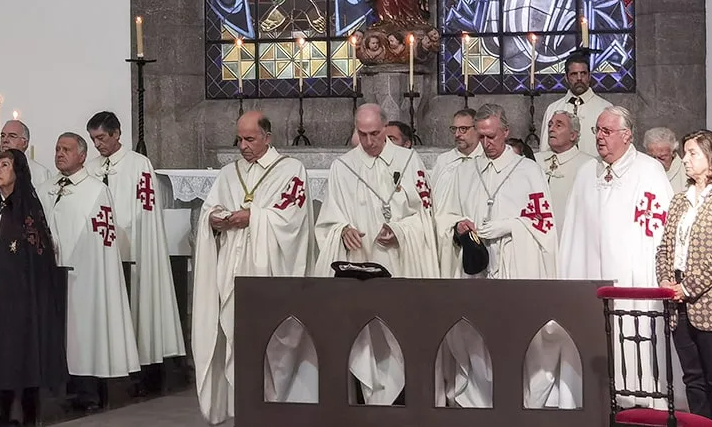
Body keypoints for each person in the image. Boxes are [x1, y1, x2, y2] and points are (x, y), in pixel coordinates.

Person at [192, 111, 315, 424]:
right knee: (235, 336)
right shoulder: (229, 172)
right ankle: (242, 405)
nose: (243, 146)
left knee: (271, 340)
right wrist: (214, 220)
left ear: (267, 137)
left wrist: (254, 217)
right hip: (231, 269)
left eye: (250, 139)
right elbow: (210, 209)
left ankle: (277, 405)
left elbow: (293, 220)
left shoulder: (290, 170)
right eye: (239, 139)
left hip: (269, 270)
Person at [431, 104, 557, 408]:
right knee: (475, 336)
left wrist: (510, 226)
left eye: (492, 137)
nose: (487, 144)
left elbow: (543, 222)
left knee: (517, 334)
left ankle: (522, 400)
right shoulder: (465, 170)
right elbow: (445, 214)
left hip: (515, 264)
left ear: (506, 132)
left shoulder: (527, 170)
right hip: (478, 266)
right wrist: (459, 225)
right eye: (482, 137)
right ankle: (482, 401)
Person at [314, 103, 437, 406]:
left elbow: (426, 213)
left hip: (399, 259)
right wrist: (342, 229)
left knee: (400, 331)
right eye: (363, 134)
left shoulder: (409, 160)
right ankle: (369, 400)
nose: (369, 141)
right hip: (360, 262)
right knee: (365, 335)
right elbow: (329, 218)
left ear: (385, 128)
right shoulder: (343, 167)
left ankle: (405, 400)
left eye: (375, 134)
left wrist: (400, 230)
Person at [560, 106, 676, 408]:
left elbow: (659, 231)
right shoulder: (586, 172)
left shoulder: (649, 170)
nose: (599, 137)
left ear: (627, 135)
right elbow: (574, 228)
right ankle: (593, 393)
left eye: (607, 131)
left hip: (632, 275)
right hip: (591, 274)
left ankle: (640, 395)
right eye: (597, 130)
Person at [0, 150, 67, 427]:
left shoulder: (28, 210)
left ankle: (27, 412)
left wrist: (1, 272)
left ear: (17, 171)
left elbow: (36, 255)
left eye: (5, 165)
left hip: (19, 295)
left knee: (18, 350)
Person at [86, 112, 186, 390]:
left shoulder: (138, 164)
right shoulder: (92, 168)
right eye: (93, 139)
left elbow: (146, 210)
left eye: (102, 138)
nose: (97, 145)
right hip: (102, 246)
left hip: (133, 248)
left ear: (117, 134)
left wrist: (126, 235)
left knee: (137, 306)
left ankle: (142, 372)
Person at [39, 132, 139, 411]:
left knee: (84, 331)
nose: (60, 153)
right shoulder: (45, 188)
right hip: (50, 273)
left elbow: (102, 237)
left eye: (67, 149)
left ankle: (88, 391)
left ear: (82, 156)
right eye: (58, 148)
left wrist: (76, 258)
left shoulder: (95, 190)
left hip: (84, 273)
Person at [656, 130, 712, 427]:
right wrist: (666, 283)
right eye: (685, 152)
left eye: (693, 153)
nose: (685, 159)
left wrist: (686, 287)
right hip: (677, 302)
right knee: (692, 378)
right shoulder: (680, 200)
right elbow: (664, 247)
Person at [534, 111, 593, 239]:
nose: (551, 129)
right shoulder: (533, 161)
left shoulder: (588, 165)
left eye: (558, 125)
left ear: (572, 135)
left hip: (570, 238)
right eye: (550, 125)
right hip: (534, 236)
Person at [542, 54, 613, 156]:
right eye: (574, 74)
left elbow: (612, 146)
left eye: (583, 73)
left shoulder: (605, 109)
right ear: (566, 77)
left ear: (589, 76)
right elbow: (545, 148)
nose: (579, 78)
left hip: (595, 169)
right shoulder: (553, 108)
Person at [432, 109, 483, 179]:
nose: (457, 134)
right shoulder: (443, 161)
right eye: (454, 129)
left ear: (477, 129)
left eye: (463, 128)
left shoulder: (487, 159)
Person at [0, 119, 52, 183]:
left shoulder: (40, 173)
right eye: (3, 136)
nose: (5, 140)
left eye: (12, 136)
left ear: (24, 143)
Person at [645, 127, 687, 194]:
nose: (657, 162)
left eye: (662, 157)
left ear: (673, 152)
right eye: (652, 157)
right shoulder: (641, 170)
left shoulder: (686, 172)